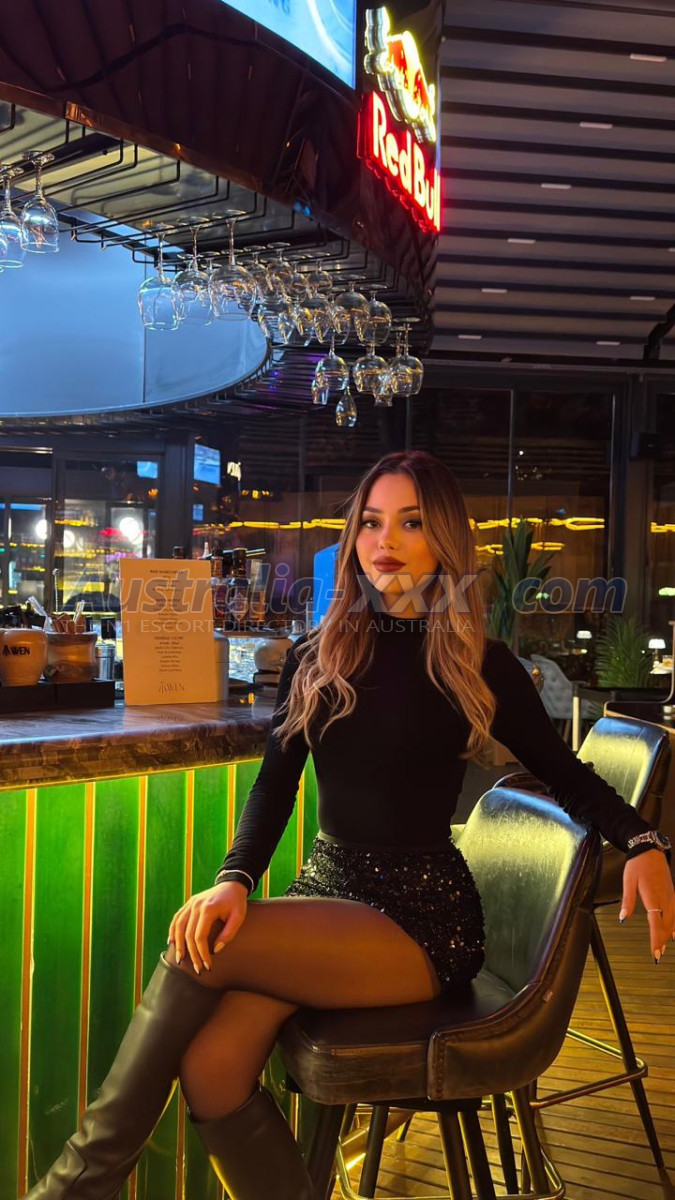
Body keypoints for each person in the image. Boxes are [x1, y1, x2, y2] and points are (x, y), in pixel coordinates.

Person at [25, 451, 675, 1200]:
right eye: (370, 522)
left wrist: (643, 841)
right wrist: (235, 878)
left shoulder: (477, 662)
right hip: (328, 893)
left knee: (199, 946)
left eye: (410, 523)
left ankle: (76, 1186)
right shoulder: (318, 654)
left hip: (420, 921)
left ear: (443, 541)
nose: (384, 541)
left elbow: (567, 775)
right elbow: (274, 788)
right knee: (212, 1068)